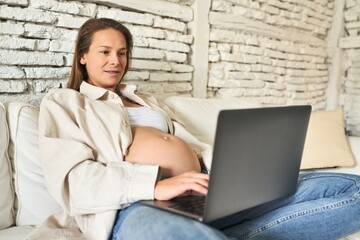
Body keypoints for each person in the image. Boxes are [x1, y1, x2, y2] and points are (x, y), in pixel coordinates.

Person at [28, 18, 360, 240]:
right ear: (82, 57)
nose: (116, 60)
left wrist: (237, 175)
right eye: (105, 52)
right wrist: (155, 187)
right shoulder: (66, 104)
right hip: (132, 208)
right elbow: (74, 182)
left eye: (122, 53)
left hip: (204, 195)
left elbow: (196, 148)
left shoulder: (147, 102)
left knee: (349, 188)